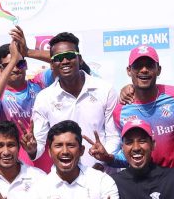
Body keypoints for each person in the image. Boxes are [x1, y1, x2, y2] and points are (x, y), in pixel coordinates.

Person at [28, 33, 120, 170]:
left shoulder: (105, 89)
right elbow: (39, 145)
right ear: (52, 65)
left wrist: (103, 161)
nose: (65, 61)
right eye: (58, 58)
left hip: (103, 175)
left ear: (80, 59)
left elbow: (114, 136)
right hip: (64, 179)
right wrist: (32, 149)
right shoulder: (44, 98)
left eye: (70, 55)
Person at [106, 45, 174, 171]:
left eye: (149, 65)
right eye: (138, 66)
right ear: (128, 70)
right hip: (145, 185)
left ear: (158, 70)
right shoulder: (120, 111)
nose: (144, 70)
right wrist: (107, 158)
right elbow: (127, 156)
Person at [0, 27, 55, 172]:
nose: (16, 69)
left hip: (45, 157)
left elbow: (61, 60)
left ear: (26, 65)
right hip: (16, 162)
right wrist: (15, 59)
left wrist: (28, 52)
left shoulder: (40, 82)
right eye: (9, 65)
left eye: (20, 64)